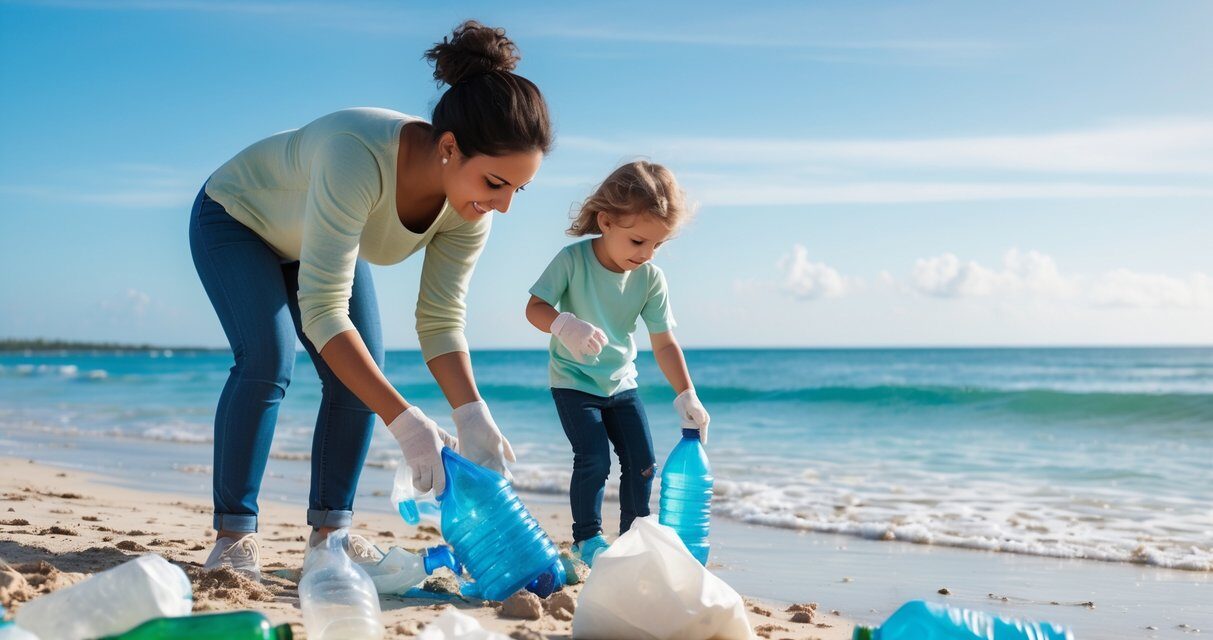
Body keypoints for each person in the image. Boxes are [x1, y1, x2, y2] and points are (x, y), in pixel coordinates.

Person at [188, 20, 551, 581]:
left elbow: (440, 319)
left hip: (325, 239)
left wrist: (472, 415)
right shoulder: (355, 153)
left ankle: (328, 538)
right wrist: (406, 424)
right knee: (266, 360)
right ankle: (234, 538)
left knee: (361, 371)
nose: (503, 206)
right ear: (450, 148)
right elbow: (325, 312)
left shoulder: (469, 210)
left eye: (517, 190)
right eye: (496, 183)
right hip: (238, 218)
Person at [524, 161, 711, 566]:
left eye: (657, 246)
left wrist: (687, 393)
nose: (646, 255)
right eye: (638, 241)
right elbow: (534, 308)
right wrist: (563, 324)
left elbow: (663, 343)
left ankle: (633, 538)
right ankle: (586, 540)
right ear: (606, 221)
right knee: (593, 457)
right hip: (573, 380)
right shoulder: (572, 261)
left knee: (642, 462)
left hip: (621, 384)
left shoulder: (651, 280)